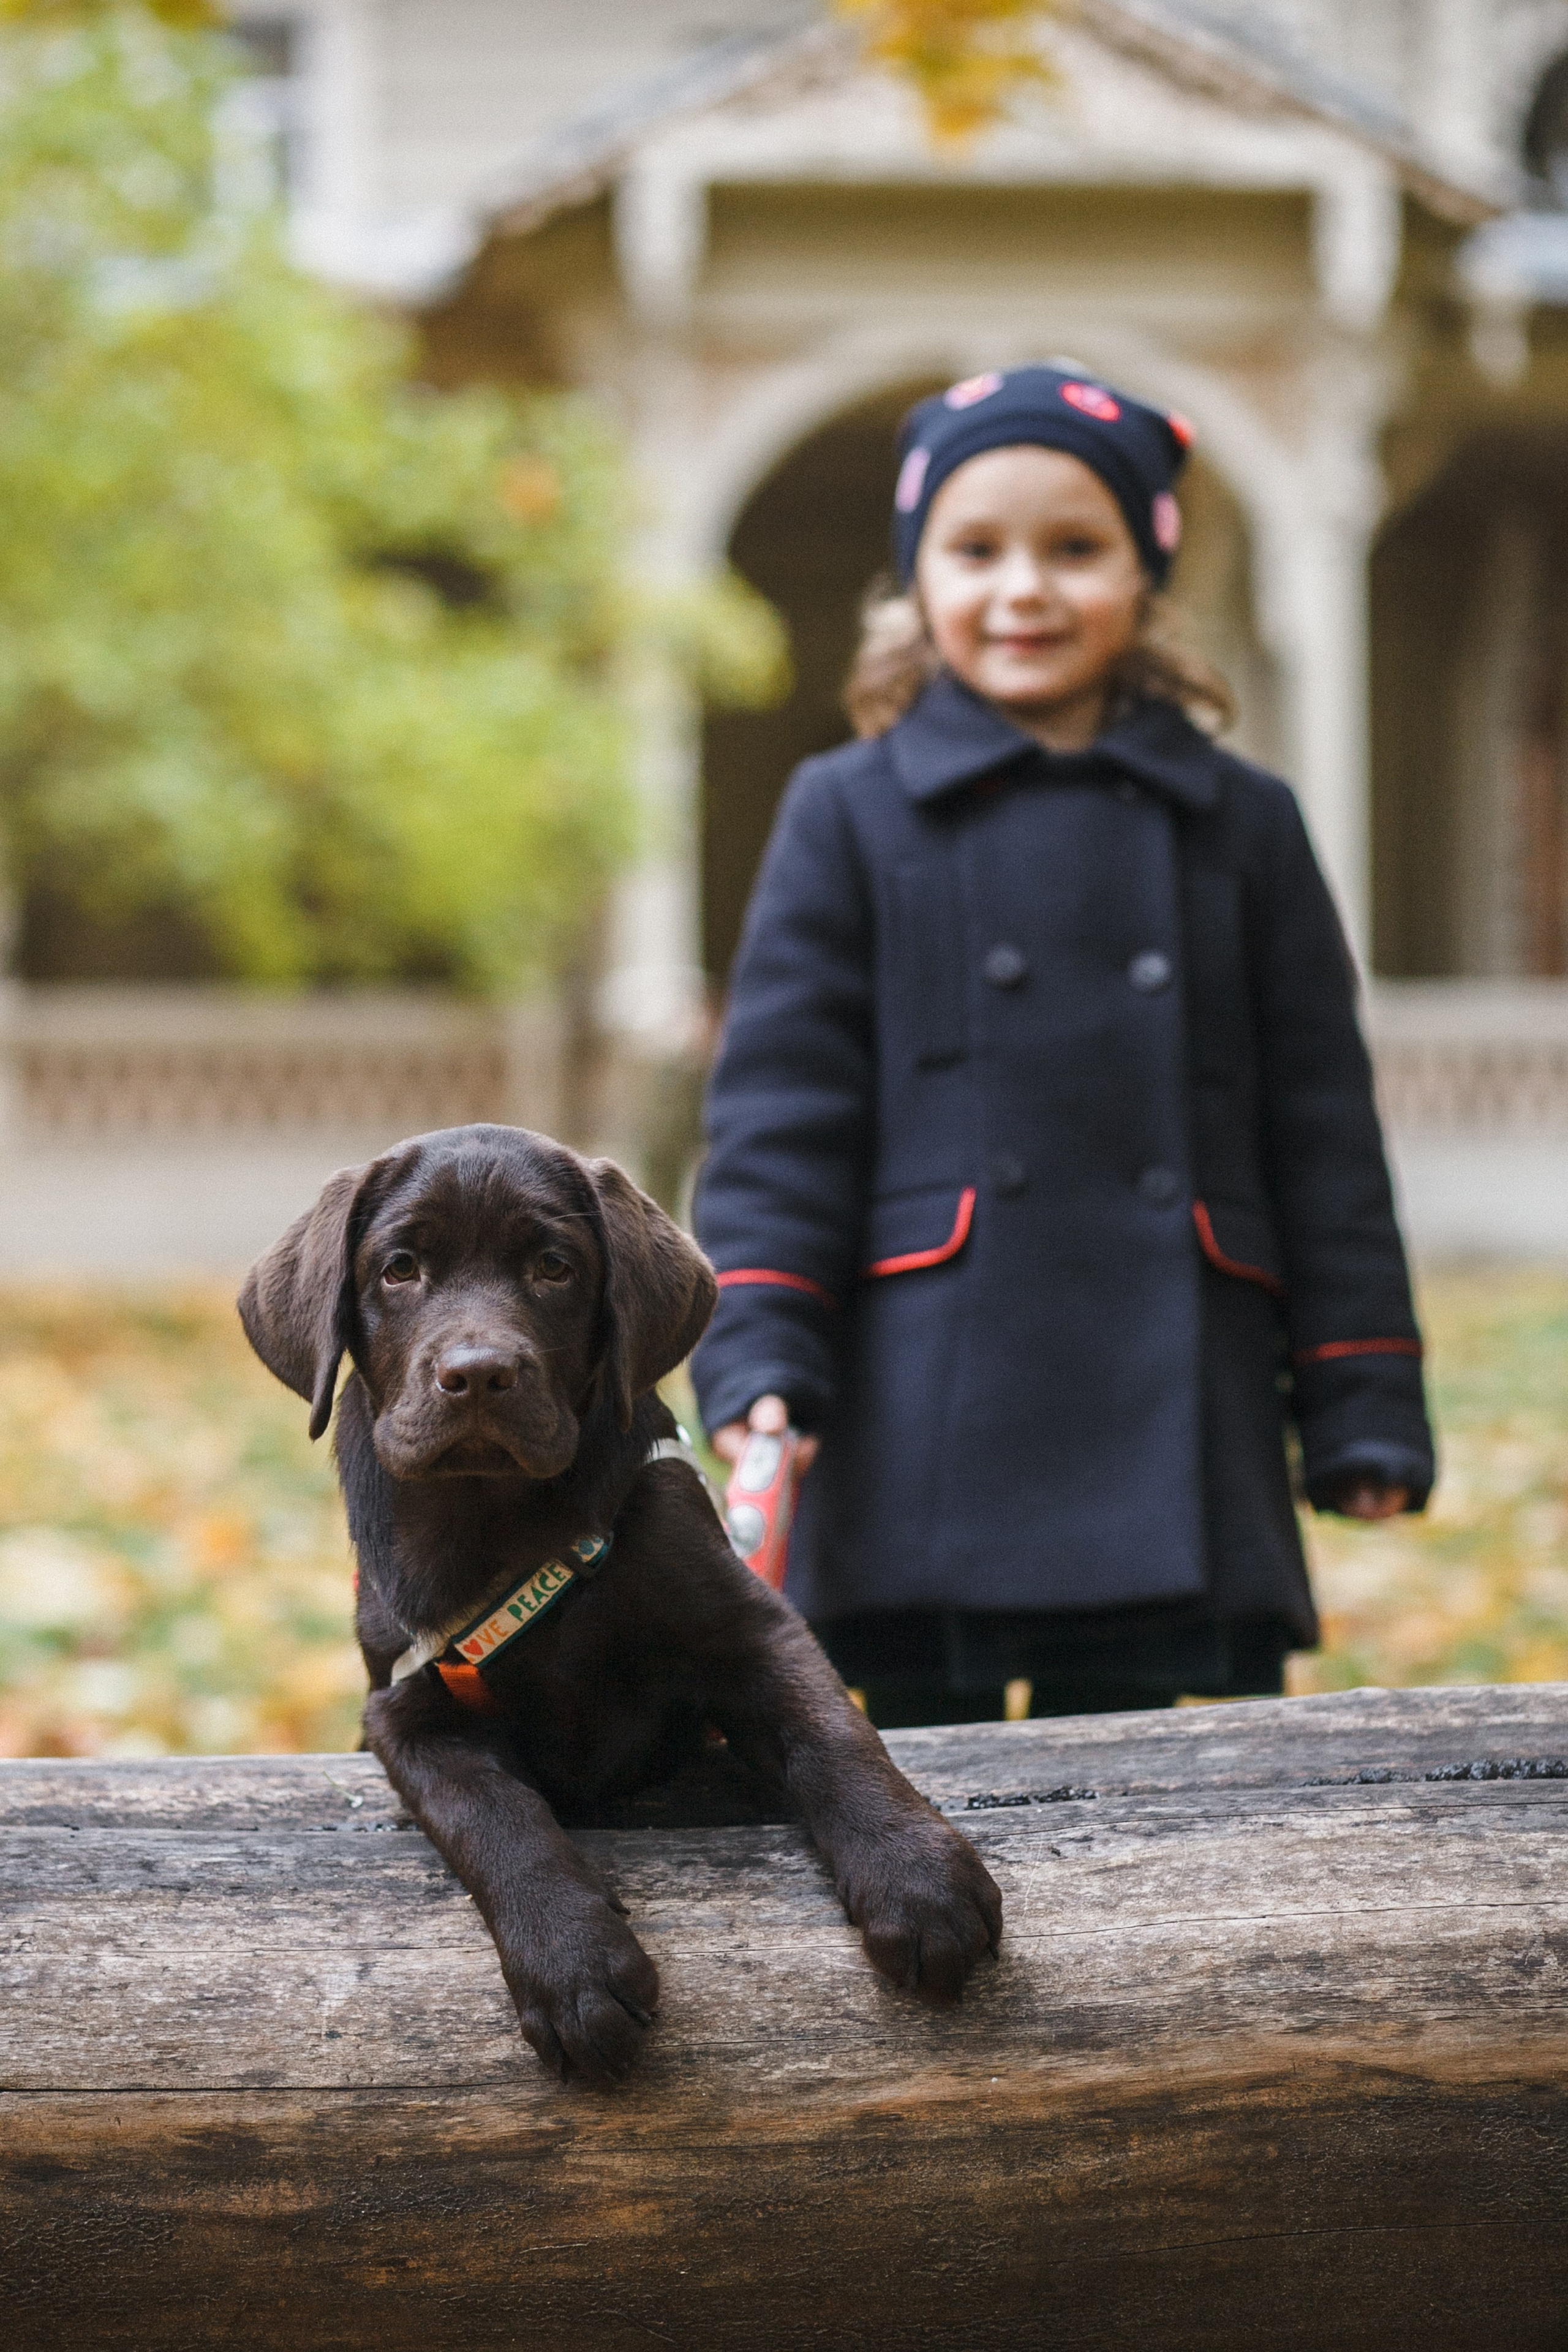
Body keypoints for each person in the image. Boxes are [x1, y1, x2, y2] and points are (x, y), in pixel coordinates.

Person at [690, 363, 1434, 1730]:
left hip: (1178, 1407)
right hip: (921, 1403)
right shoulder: (844, 813)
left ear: (1144, 575)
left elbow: (1323, 1135)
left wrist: (1359, 1397)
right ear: (917, 579)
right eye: (974, 551)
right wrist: (756, 1355)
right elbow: (783, 1116)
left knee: (1162, 1827)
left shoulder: (1241, 822)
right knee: (923, 1808)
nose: (1021, 589)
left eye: (1073, 548)